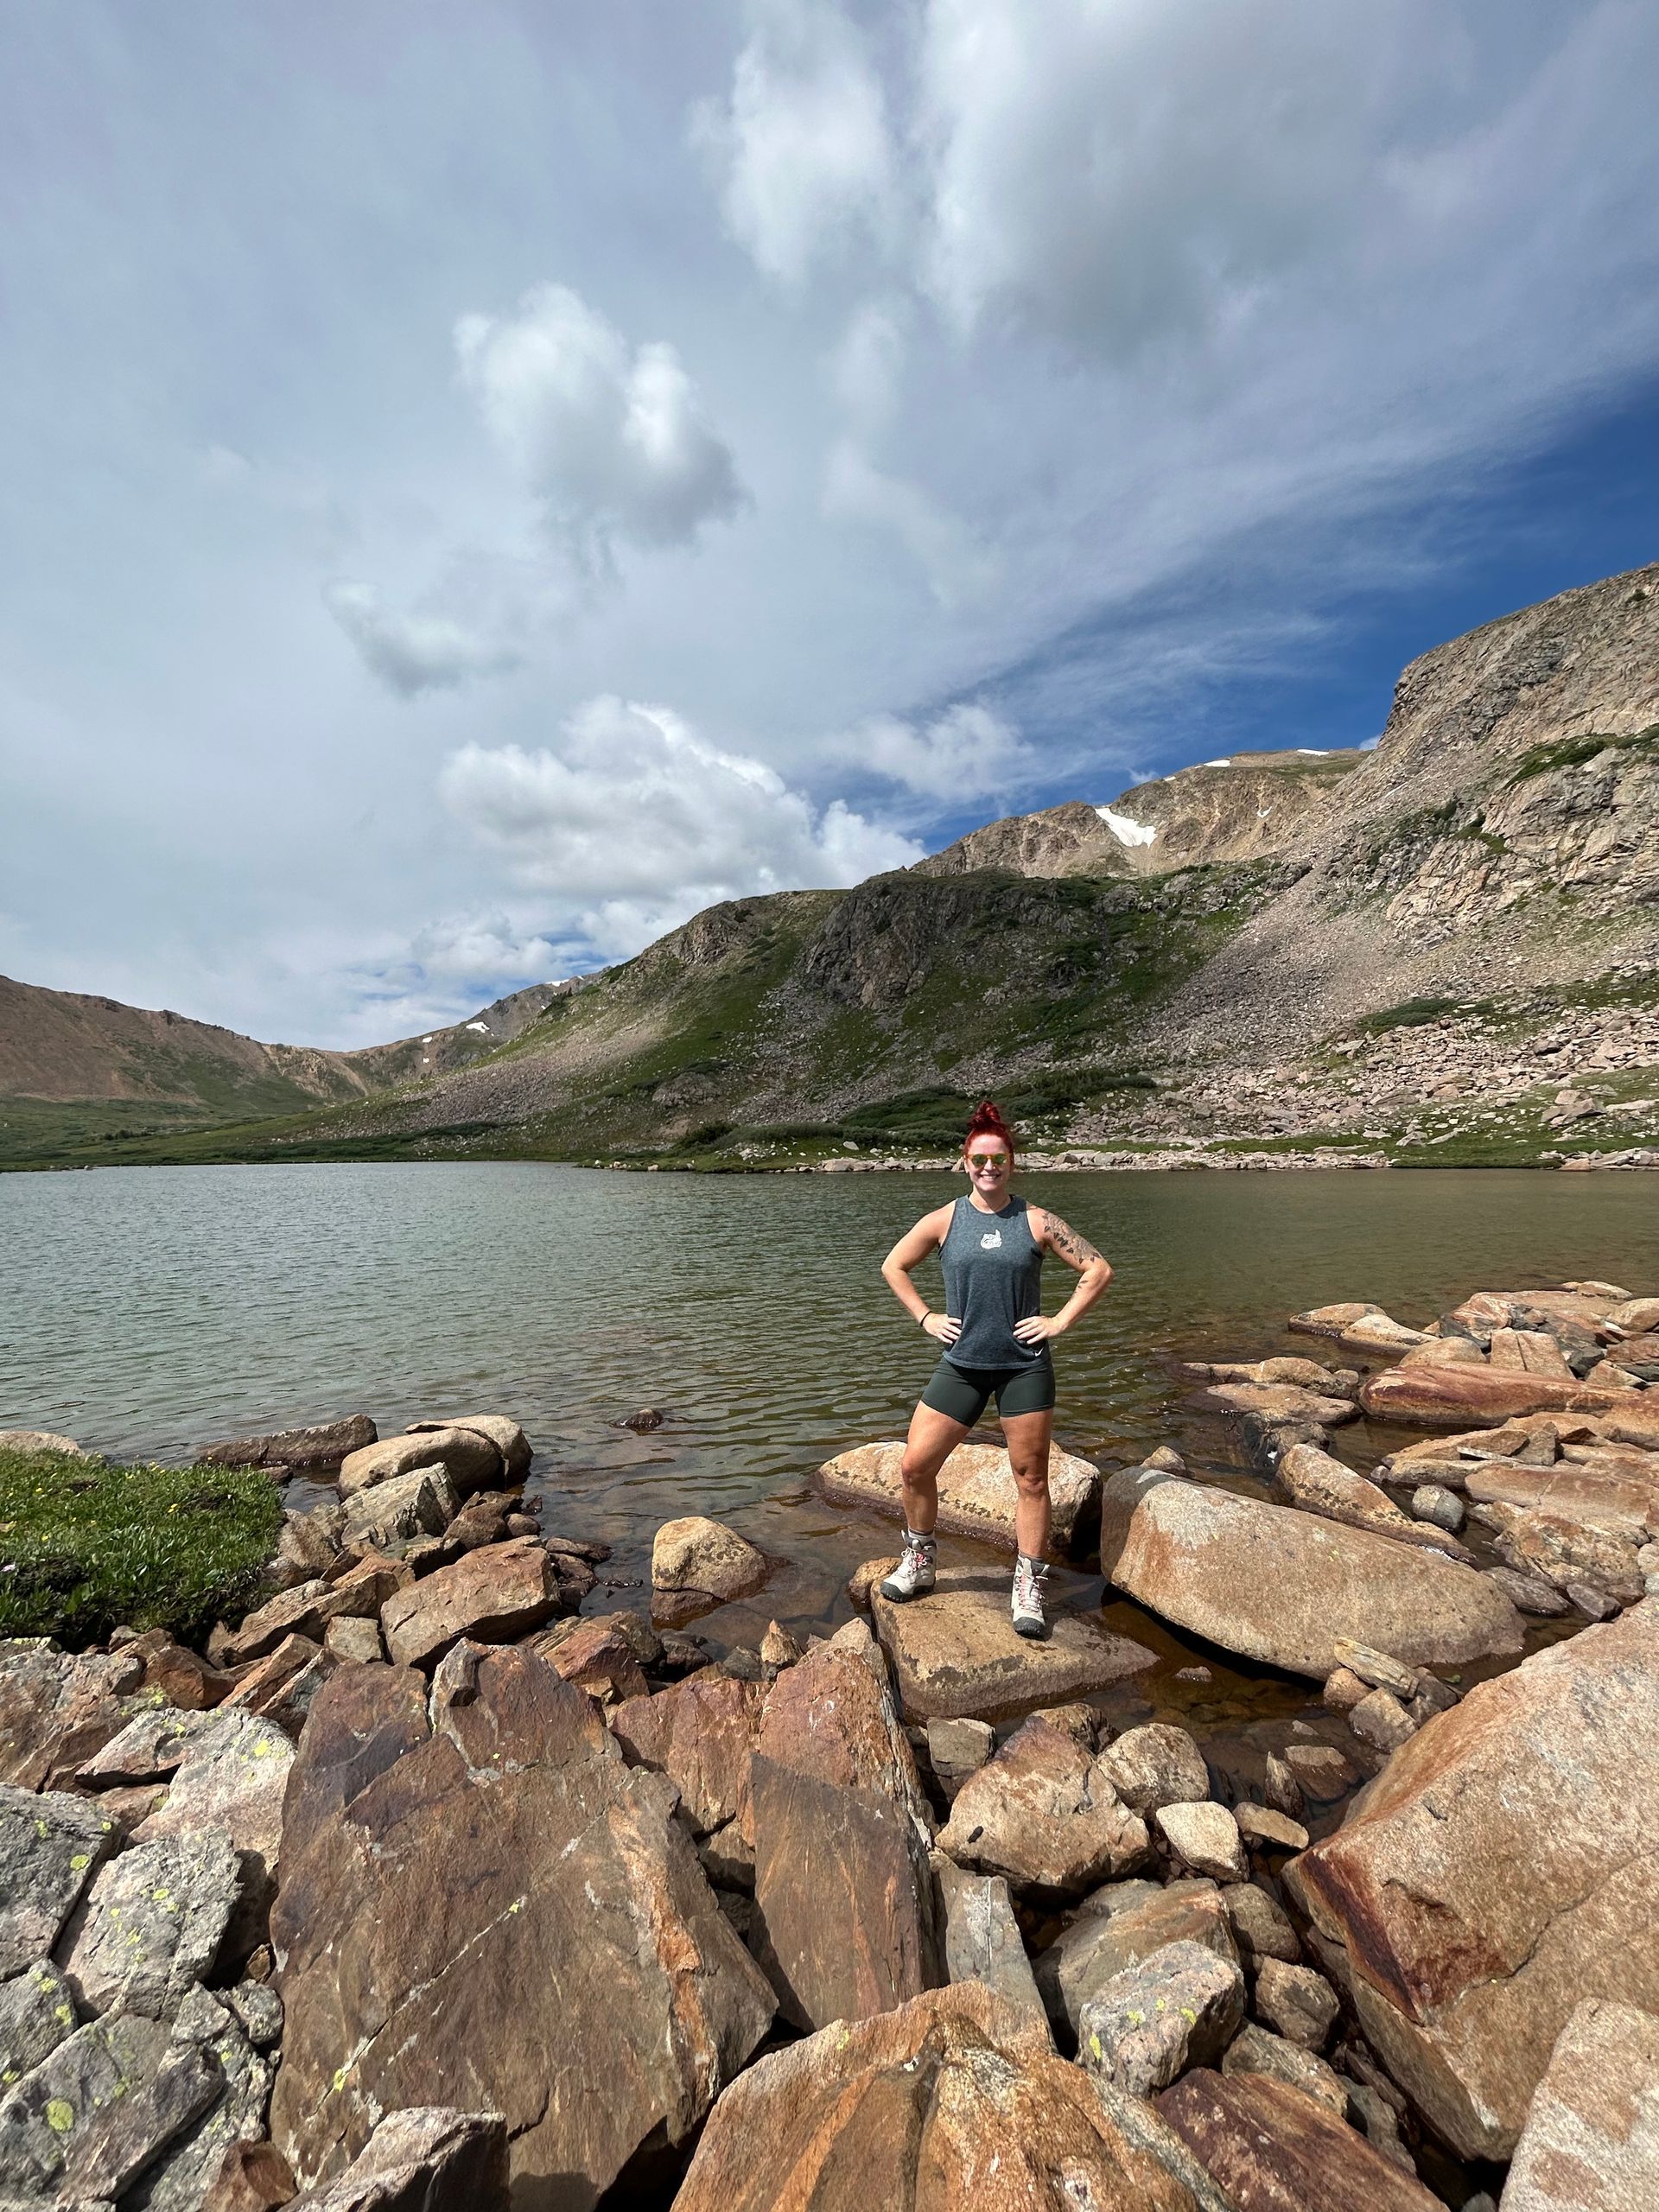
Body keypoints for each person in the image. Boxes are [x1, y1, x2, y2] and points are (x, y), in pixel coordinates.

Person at [878, 1100, 1112, 1639]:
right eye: (979, 1159)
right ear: (965, 1163)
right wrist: (926, 1317)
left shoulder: (1037, 1221)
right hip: (961, 1366)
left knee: (1031, 1478)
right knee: (915, 1467)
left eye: (999, 1159)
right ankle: (920, 1560)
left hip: (1023, 1368)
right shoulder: (944, 1220)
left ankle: (1028, 1585)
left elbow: (1098, 1270)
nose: (989, 1167)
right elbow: (894, 1265)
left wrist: (1059, 1322)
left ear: (1012, 1163)